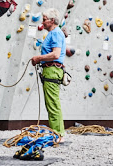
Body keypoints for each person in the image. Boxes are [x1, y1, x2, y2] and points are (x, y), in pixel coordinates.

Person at [31, 8, 66, 142]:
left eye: (44, 19)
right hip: (50, 69)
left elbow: (56, 54)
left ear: (52, 20)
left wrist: (39, 58)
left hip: (52, 69)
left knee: (53, 103)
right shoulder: (53, 33)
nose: (43, 22)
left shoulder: (56, 33)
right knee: (51, 102)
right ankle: (56, 132)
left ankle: (58, 134)